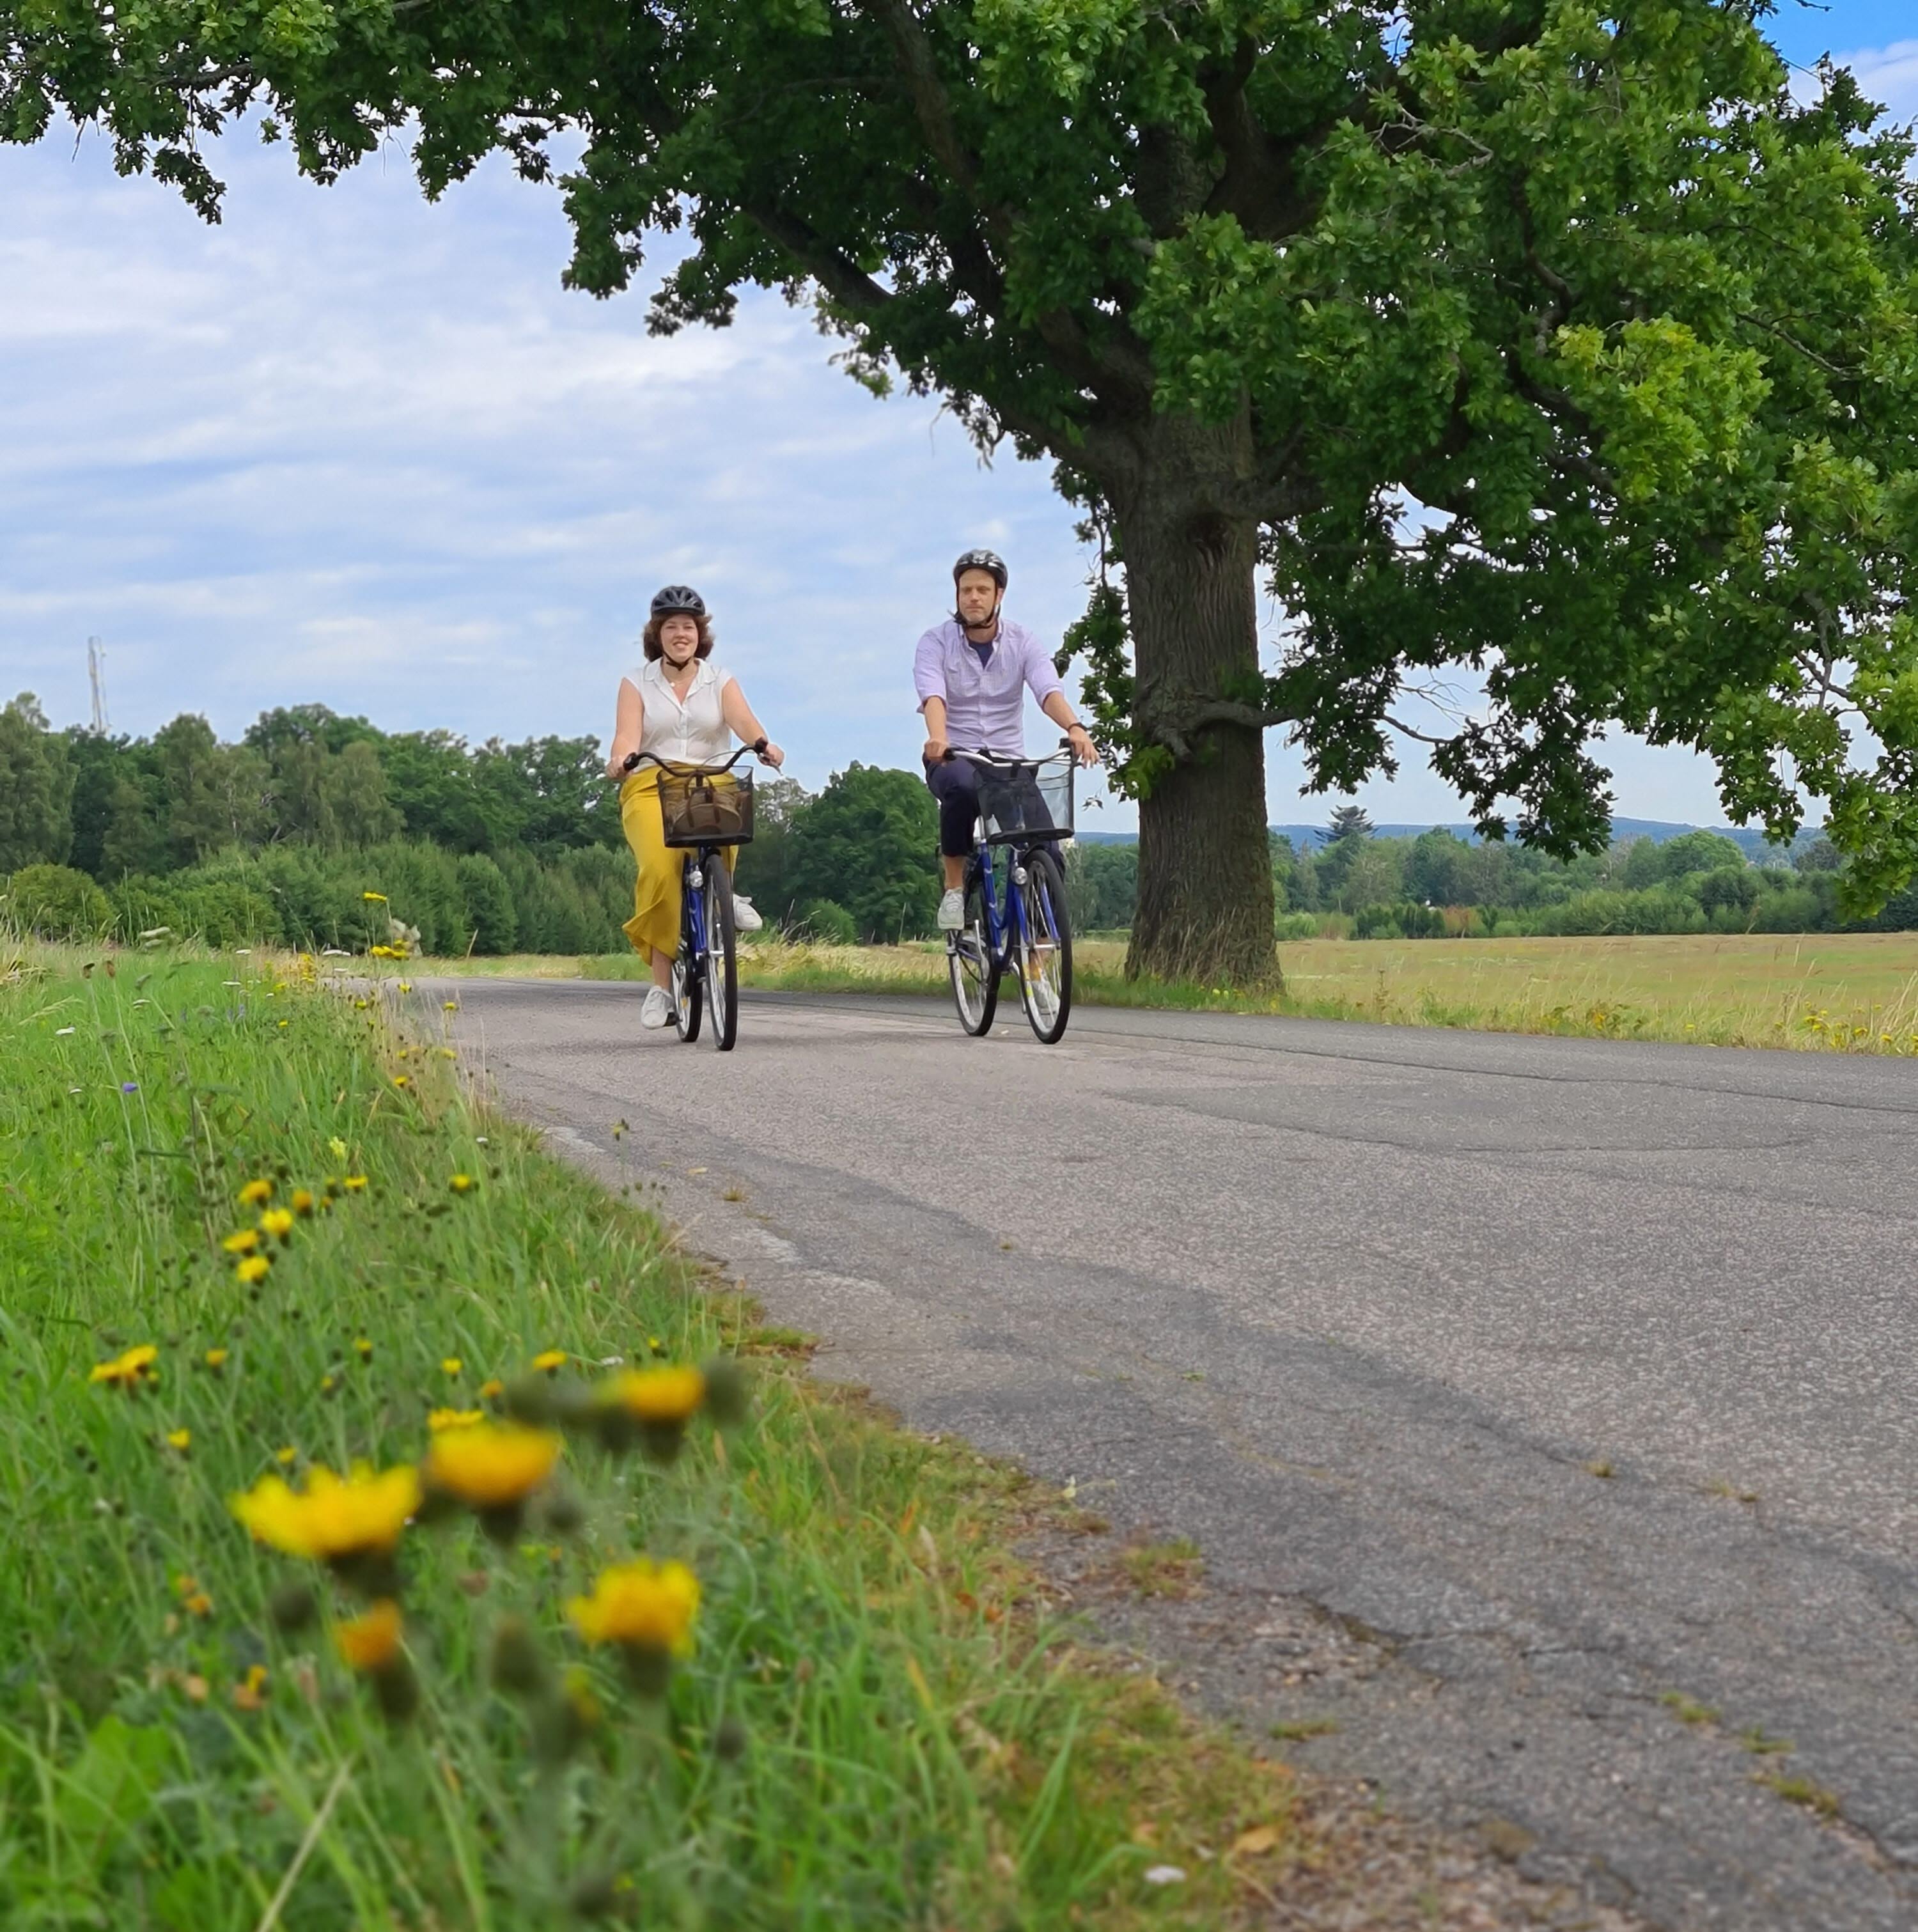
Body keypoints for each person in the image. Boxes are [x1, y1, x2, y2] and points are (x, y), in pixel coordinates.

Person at [607, 586, 783, 1030]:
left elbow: (743, 720)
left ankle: (727, 893)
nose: (680, 634)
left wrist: (762, 744)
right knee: (661, 870)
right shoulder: (636, 682)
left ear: (700, 635)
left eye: (688, 627)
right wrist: (620, 758)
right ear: (657, 635)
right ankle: (662, 989)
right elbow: (627, 734)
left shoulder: (718, 678)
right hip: (653, 782)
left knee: (729, 820)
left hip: (710, 778)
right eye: (671, 627)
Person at [916, 549, 1098, 929]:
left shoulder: (1023, 642)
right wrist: (938, 737)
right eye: (966, 590)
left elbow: (1048, 692)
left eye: (983, 590)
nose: (973, 598)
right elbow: (935, 696)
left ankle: (1039, 949)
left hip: (1007, 764)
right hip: (954, 755)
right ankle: (953, 893)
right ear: (957, 596)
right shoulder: (935, 643)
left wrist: (1075, 728)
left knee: (1046, 846)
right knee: (962, 791)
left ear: (999, 596)